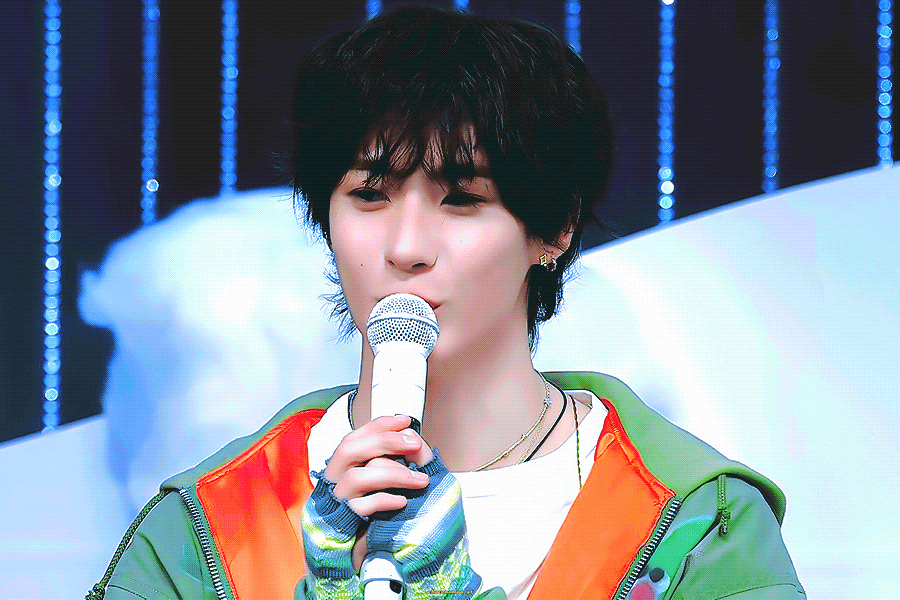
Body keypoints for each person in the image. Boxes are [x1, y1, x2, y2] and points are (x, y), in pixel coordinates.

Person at [89, 5, 805, 600]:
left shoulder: (699, 524)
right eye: (369, 194)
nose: (406, 246)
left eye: (462, 199)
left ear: (554, 230)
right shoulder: (206, 527)